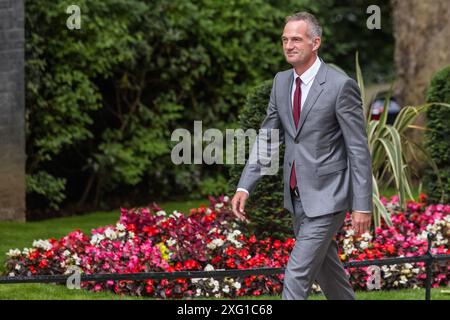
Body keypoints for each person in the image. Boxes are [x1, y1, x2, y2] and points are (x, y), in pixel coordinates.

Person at [231, 11, 373, 300]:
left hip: (329, 196)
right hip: (297, 197)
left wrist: (362, 205)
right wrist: (245, 185)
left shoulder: (339, 85)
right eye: (285, 39)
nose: (288, 45)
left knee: (297, 274)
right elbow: (268, 138)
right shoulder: (281, 82)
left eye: (296, 39)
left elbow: (358, 149)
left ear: (315, 42)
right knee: (326, 269)